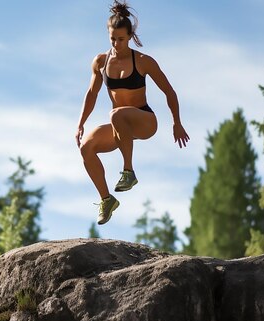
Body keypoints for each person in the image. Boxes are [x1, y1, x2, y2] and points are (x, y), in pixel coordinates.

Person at [76, 0, 190, 225]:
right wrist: (80, 123)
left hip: (144, 121)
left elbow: (170, 92)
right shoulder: (100, 62)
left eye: (121, 39)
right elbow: (91, 94)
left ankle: (128, 171)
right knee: (86, 148)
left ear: (129, 36)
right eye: (112, 39)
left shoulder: (143, 62)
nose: (116, 44)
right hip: (120, 126)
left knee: (116, 114)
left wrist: (176, 122)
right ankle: (106, 199)